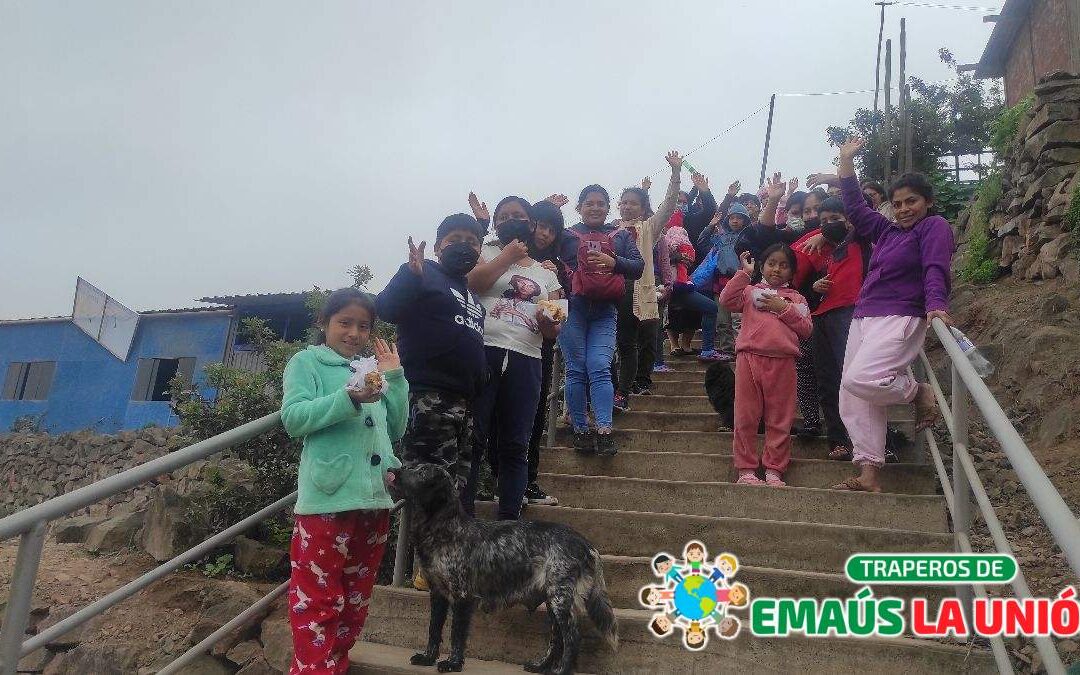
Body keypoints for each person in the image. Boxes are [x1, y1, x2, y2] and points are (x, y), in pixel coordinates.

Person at [281, 290, 407, 673]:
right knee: (315, 598)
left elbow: (397, 426)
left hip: (373, 500)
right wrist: (350, 398)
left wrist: (395, 378)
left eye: (363, 326)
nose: (354, 333)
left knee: (355, 600)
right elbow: (294, 419)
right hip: (327, 500)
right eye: (344, 323)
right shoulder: (308, 362)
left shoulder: (372, 368)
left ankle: (337, 664)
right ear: (324, 324)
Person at [829, 137, 953, 492]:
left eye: (911, 201)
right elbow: (855, 208)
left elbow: (935, 268)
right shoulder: (886, 232)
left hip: (900, 315)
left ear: (927, 202)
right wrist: (845, 163)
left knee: (862, 378)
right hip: (865, 316)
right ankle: (869, 475)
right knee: (852, 396)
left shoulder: (934, 227)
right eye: (897, 203)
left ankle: (917, 392)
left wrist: (936, 306)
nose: (903, 209)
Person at [375, 214, 487, 590]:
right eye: (455, 238)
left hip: (464, 401)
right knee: (424, 481)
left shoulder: (472, 295)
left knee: (453, 485)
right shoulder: (424, 276)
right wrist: (410, 274)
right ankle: (422, 567)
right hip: (426, 395)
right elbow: (386, 309)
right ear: (439, 245)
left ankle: (442, 562)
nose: (464, 245)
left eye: (472, 240)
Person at [462, 201, 563, 519]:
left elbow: (554, 326)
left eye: (518, 217)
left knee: (515, 443)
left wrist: (549, 322)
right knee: (473, 437)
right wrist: (507, 257)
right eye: (503, 217)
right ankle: (463, 520)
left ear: (531, 223)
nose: (510, 221)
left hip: (526, 358)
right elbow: (472, 284)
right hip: (482, 351)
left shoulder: (545, 272)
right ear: (494, 224)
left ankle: (509, 521)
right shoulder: (486, 253)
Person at [558, 183, 645, 456]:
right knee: (576, 368)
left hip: (607, 309)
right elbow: (543, 254)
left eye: (601, 203)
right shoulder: (566, 235)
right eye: (589, 203)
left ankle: (604, 429)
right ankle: (581, 429)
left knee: (599, 365)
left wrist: (613, 261)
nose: (595, 208)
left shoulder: (619, 235)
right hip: (573, 308)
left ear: (609, 208)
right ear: (580, 207)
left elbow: (638, 267)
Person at [719, 246, 812, 487]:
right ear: (762, 266)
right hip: (749, 358)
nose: (777, 269)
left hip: (783, 362)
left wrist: (784, 309)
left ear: (791, 272)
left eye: (784, 265)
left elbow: (806, 329)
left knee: (780, 418)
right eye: (772, 263)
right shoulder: (750, 291)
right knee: (746, 416)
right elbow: (726, 300)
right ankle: (746, 469)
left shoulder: (797, 299)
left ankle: (774, 469)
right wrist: (743, 274)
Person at [793, 197, 870, 461]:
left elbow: (862, 210)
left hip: (851, 312)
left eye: (833, 219)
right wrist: (815, 287)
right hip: (821, 316)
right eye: (822, 221)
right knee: (827, 381)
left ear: (848, 219)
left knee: (853, 377)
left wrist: (819, 233)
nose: (827, 225)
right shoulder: (826, 252)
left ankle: (871, 442)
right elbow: (798, 278)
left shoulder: (860, 241)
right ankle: (838, 440)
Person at [611, 152, 684, 411]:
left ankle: (624, 392)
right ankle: (612, 388)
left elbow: (669, 204)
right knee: (611, 345)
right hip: (609, 294)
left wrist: (675, 173)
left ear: (643, 208)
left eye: (633, 203)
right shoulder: (611, 229)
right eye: (624, 202)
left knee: (632, 344)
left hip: (638, 292)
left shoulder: (648, 229)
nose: (627, 206)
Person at [762, 175, 821, 437]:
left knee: (838, 370)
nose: (808, 215)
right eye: (801, 211)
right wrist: (774, 200)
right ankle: (811, 420)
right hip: (800, 307)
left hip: (836, 310)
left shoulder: (841, 234)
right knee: (805, 367)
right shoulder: (790, 238)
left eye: (813, 210)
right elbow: (765, 234)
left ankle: (841, 429)